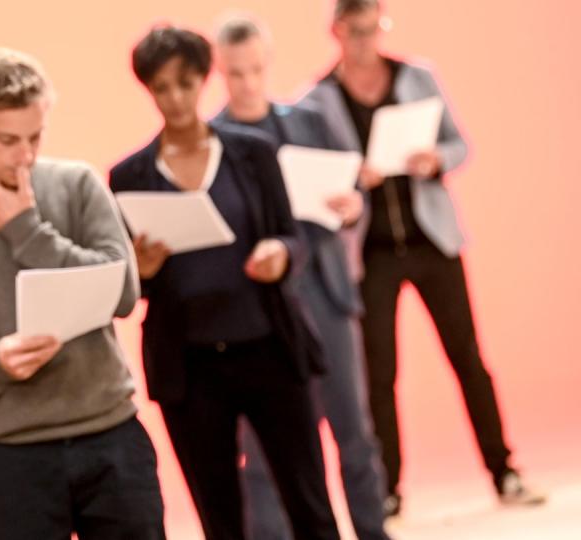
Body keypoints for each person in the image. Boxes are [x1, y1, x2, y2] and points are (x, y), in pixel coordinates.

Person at [299, 0, 546, 517]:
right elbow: (316, 177)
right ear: (337, 31)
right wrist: (351, 179)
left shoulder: (417, 76)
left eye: (376, 29)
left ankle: (504, 471)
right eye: (358, 31)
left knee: (467, 356)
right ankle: (387, 488)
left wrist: (435, 160)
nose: (369, 41)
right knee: (378, 372)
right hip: (372, 253)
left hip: (431, 239)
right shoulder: (318, 100)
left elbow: (460, 145)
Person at [0, 48, 165, 540]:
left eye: (35, 136)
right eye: (8, 140)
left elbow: (123, 292)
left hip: (111, 437)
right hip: (6, 457)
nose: (25, 154)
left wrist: (28, 230)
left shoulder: (77, 185)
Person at [109, 26, 340, 540]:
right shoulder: (129, 176)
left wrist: (282, 253)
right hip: (189, 369)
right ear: (149, 89)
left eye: (185, 84)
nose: (175, 98)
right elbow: (131, 285)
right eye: (162, 87)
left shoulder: (253, 153)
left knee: (310, 504)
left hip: (270, 349)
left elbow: (292, 234)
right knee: (219, 516)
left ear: (203, 81)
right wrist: (141, 270)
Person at [213, 16, 390, 539]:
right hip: (261, 308)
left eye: (255, 70)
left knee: (354, 430)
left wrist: (352, 206)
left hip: (327, 294)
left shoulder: (310, 120)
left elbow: (355, 200)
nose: (247, 83)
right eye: (235, 73)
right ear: (221, 72)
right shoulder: (215, 140)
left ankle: (372, 529)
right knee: (263, 445)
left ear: (268, 65)